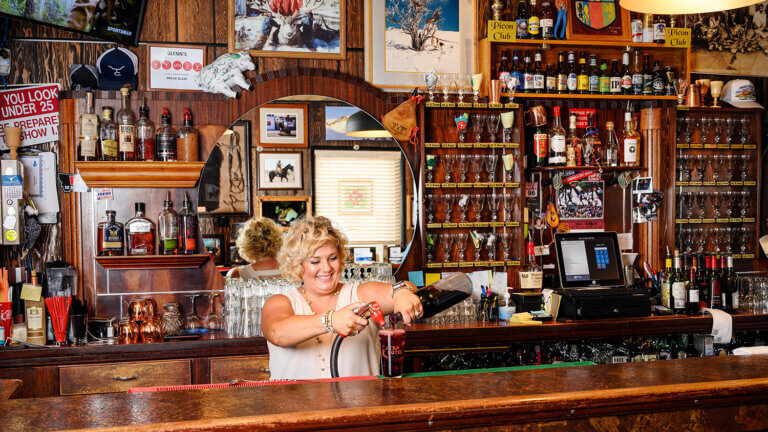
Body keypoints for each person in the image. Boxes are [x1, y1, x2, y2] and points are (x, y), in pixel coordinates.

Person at [261, 216, 422, 379]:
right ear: (297, 264)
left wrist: (401, 292)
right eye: (315, 261)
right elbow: (277, 332)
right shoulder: (280, 302)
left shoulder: (359, 295)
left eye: (332, 258)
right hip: (294, 404)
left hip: (361, 404)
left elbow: (398, 289)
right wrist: (330, 320)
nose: (326, 268)